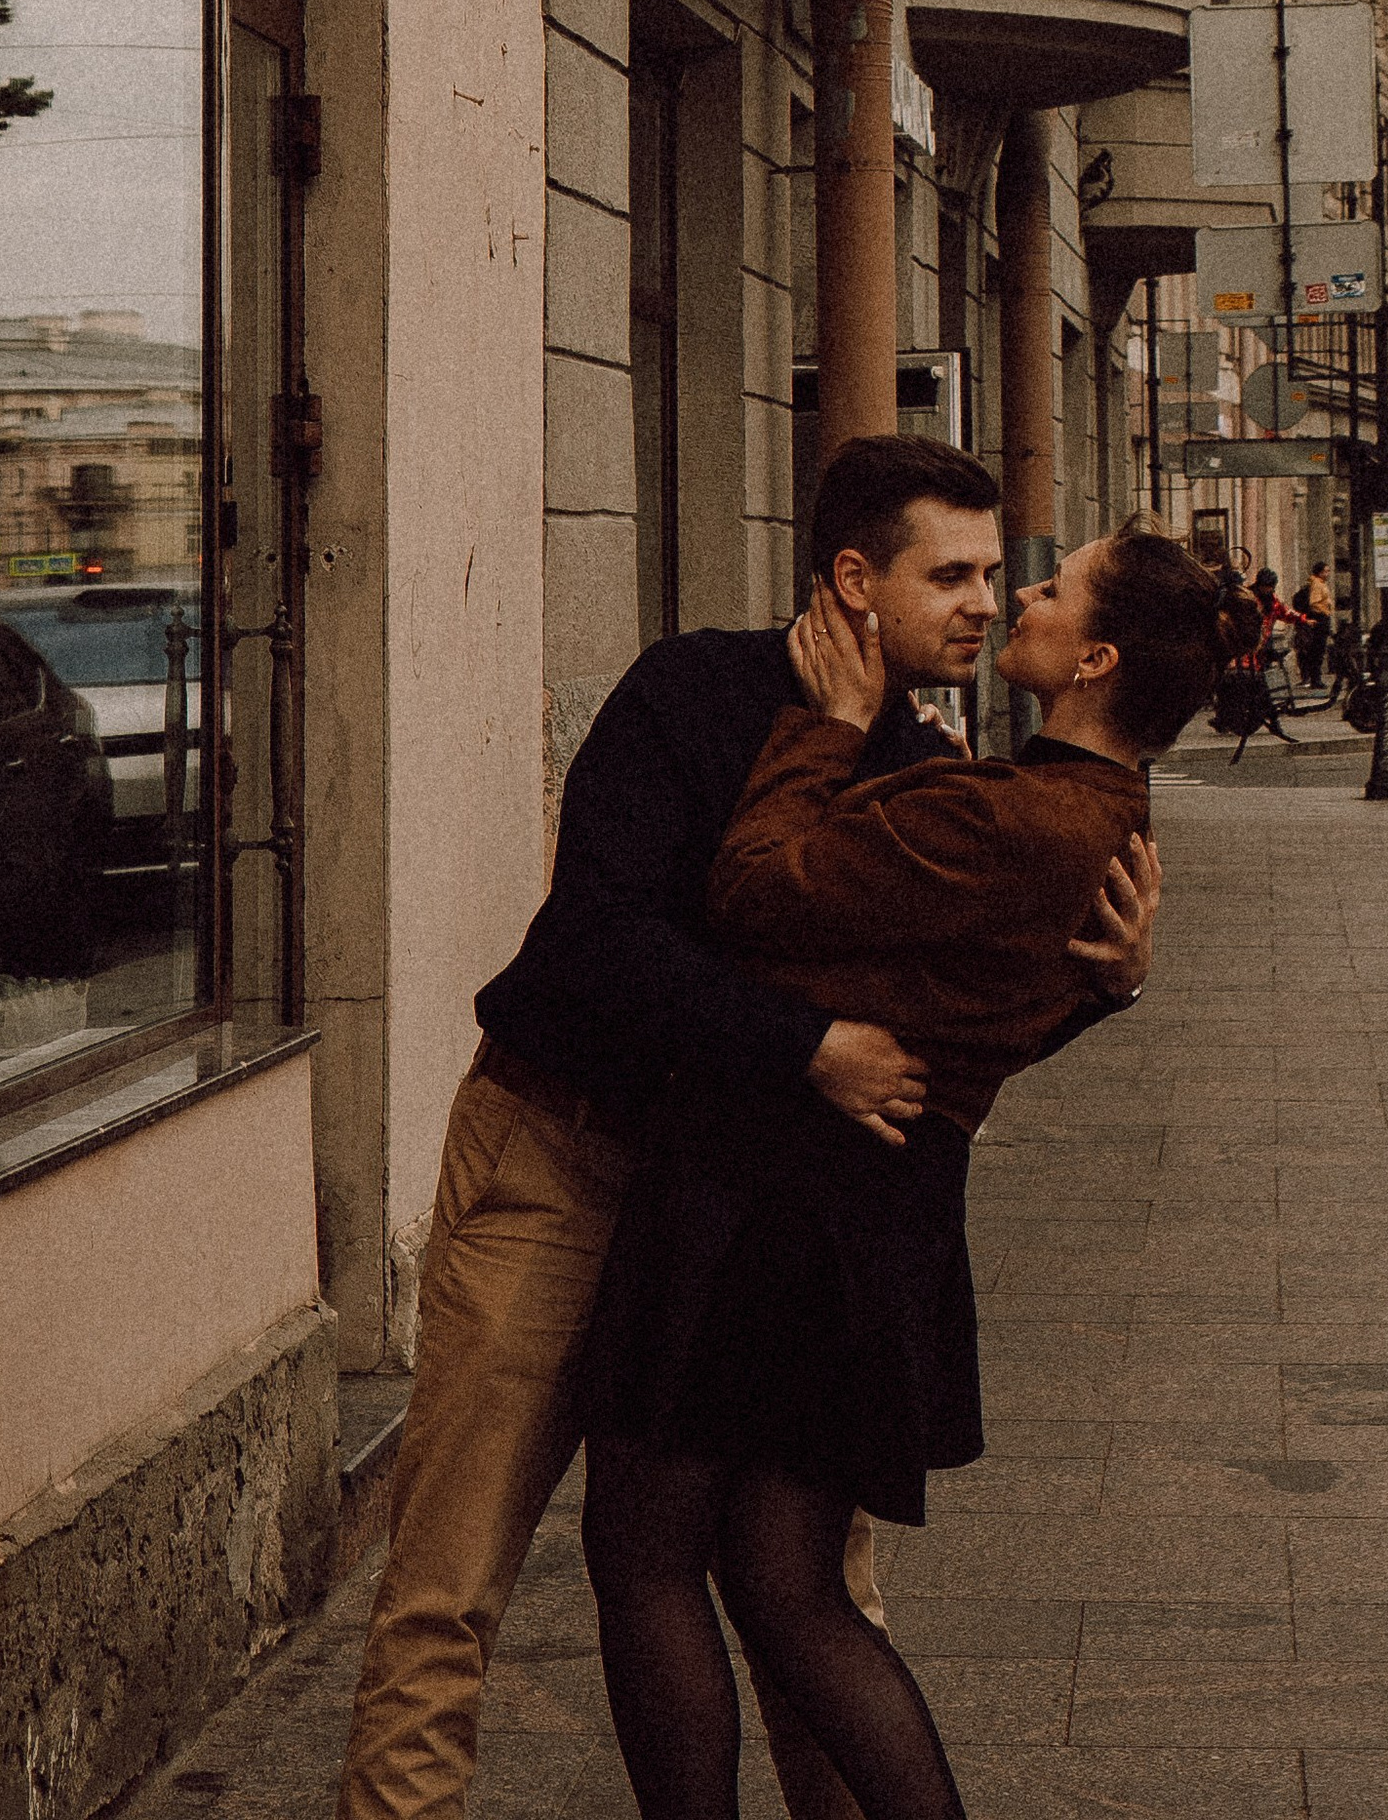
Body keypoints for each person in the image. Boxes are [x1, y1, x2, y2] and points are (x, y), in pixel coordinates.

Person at [333, 437, 1157, 1820]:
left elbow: (932, 1027)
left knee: (808, 1594)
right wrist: (807, 1047)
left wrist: (1100, 987)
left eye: (997, 576)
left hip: (734, 1213)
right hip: (563, 1157)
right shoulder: (694, 690)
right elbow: (600, 943)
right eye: (948, 574)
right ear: (853, 577)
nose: (981, 602)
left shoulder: (919, 754)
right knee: (449, 1588)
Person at [577, 525, 1226, 1820]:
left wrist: (829, 723)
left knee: (649, 1553)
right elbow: (984, 1011)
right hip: (862, 1220)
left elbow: (755, 889)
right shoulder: (1091, 819)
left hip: (766, 1202)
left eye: (1044, 587)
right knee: (780, 1582)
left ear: (1094, 656)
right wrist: (1115, 989)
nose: (1011, 600)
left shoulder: (1009, 812)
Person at [1294, 562, 1335, 688]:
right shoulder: (1317, 584)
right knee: (1317, 651)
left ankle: (1314, 679)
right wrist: (1325, 611)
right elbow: (1314, 603)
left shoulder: (1319, 583)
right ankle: (1315, 680)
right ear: (1320, 572)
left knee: (1316, 651)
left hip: (1320, 619)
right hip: (1319, 619)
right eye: (1326, 571)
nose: (1328, 574)